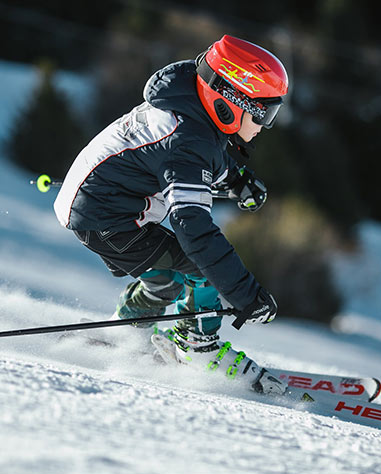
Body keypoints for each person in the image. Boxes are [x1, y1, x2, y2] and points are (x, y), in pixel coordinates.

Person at [54, 35, 289, 394]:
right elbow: (192, 229)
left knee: (168, 279)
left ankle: (125, 332)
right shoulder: (186, 141)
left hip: (101, 207)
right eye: (264, 113)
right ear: (231, 101)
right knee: (203, 270)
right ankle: (197, 346)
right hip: (108, 219)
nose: (264, 126)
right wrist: (245, 295)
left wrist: (237, 179)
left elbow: (206, 154)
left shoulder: (189, 108)